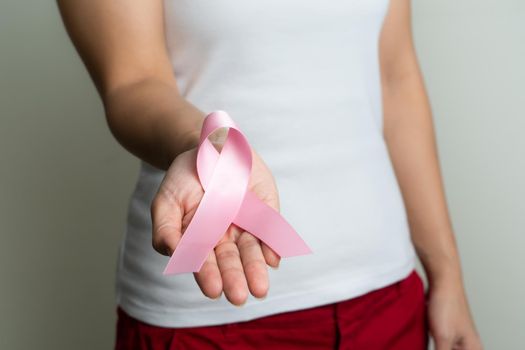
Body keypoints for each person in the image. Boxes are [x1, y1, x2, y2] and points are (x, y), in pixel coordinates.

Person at [57, 0, 482, 349]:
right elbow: (132, 83)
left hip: (384, 298)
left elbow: (396, 81)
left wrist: (447, 276)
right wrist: (206, 143)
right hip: (207, 312)